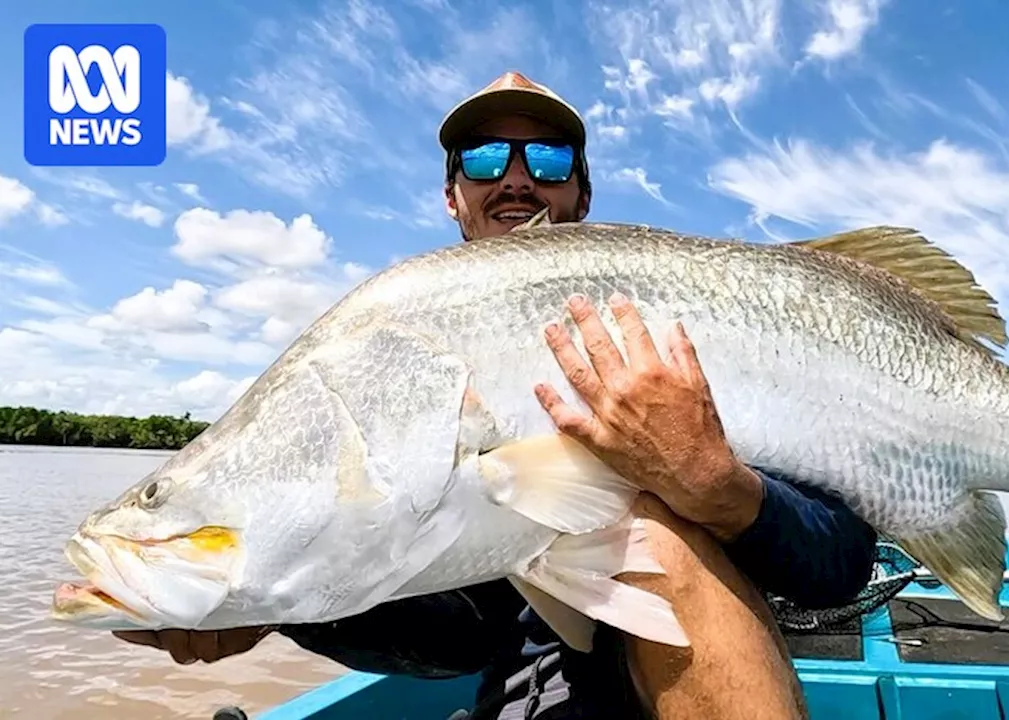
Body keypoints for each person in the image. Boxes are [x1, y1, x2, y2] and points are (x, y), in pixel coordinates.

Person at [115, 71, 880, 719]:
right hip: (533, 693)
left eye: (547, 158)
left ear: (581, 192)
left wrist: (720, 485)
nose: (516, 178)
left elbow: (840, 564)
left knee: (653, 527)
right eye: (483, 158)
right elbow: (463, 636)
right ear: (453, 195)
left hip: (720, 674)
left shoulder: (685, 323)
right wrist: (278, 607)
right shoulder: (402, 347)